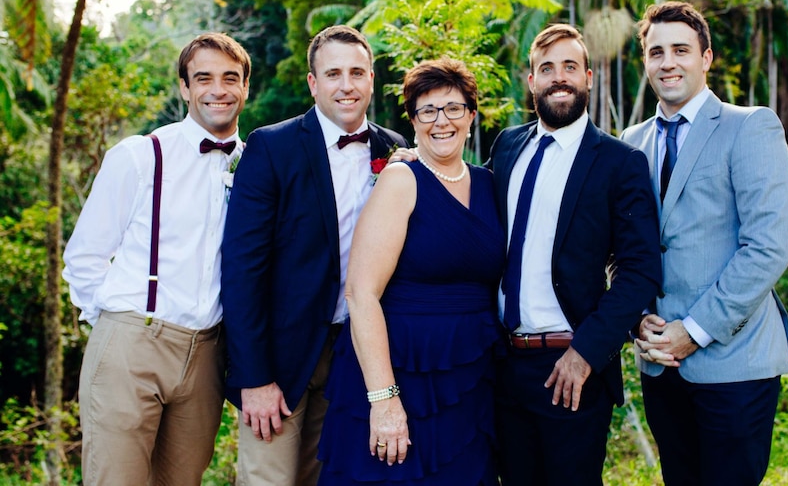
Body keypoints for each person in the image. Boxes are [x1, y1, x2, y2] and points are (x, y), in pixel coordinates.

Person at [220, 25, 408, 486]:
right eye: (333, 74)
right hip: (281, 358)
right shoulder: (273, 146)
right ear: (313, 83)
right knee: (269, 479)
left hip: (357, 354)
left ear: (370, 78)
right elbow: (242, 268)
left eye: (357, 73)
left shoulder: (396, 150)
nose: (346, 85)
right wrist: (254, 376)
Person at [63, 32, 251, 485]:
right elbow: (85, 256)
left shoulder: (254, 164)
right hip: (133, 342)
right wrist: (118, 327)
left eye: (230, 78)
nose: (218, 90)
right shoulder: (140, 155)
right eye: (203, 78)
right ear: (185, 88)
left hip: (208, 352)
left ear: (246, 87)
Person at [620, 1, 788, 486]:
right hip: (660, 364)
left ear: (707, 57)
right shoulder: (631, 142)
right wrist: (636, 318)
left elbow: (766, 248)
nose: (668, 62)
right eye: (657, 52)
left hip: (735, 364)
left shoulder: (750, 126)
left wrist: (693, 331)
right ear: (646, 62)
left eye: (681, 50)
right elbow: (622, 248)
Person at [316, 57, 506, 485]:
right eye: (428, 110)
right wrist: (384, 400)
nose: (442, 121)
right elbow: (361, 294)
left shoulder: (490, 183)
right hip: (401, 369)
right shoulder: (402, 179)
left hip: (470, 376)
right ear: (413, 120)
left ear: (472, 116)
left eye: (454, 108)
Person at [486, 24, 662, 485]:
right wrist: (409, 163)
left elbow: (640, 270)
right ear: (531, 82)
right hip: (503, 365)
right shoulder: (507, 147)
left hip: (571, 368)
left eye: (569, 67)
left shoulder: (619, 163)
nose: (558, 77)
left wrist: (586, 352)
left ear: (588, 77)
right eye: (546, 69)